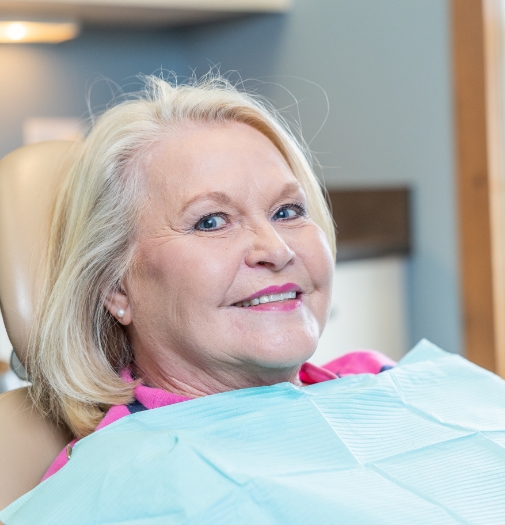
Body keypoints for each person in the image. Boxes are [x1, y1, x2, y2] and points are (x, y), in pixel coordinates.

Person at [0, 75, 394, 513]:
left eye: (288, 211)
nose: (277, 250)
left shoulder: (379, 380)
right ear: (115, 287)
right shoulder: (119, 488)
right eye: (211, 221)